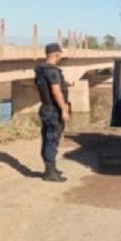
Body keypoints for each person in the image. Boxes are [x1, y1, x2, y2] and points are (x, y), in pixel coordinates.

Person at [34, 43, 71, 182]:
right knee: (52, 139)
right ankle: (49, 172)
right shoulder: (52, 71)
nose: (61, 56)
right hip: (53, 110)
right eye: (60, 53)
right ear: (56, 54)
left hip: (46, 108)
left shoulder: (41, 69)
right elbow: (56, 91)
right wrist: (64, 109)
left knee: (48, 139)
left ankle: (51, 168)